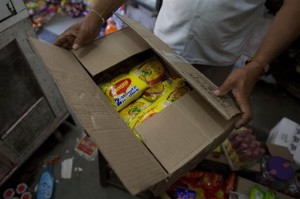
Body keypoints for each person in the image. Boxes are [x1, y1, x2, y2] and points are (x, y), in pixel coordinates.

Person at [55, 0, 300, 128]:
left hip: (217, 58)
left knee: (191, 123)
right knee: (142, 118)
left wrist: (258, 64)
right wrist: (97, 17)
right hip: (161, 41)